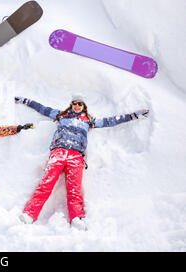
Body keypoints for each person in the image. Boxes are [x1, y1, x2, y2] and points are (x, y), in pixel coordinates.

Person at [15, 94, 149, 230]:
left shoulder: (89, 121)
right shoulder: (61, 115)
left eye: (80, 104)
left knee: (74, 189)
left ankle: (76, 218)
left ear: (84, 107)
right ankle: (29, 214)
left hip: (76, 156)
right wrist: (26, 101)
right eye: (75, 103)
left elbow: (110, 121)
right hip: (58, 152)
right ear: (71, 104)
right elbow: (42, 108)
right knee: (46, 184)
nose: (77, 106)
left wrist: (133, 116)